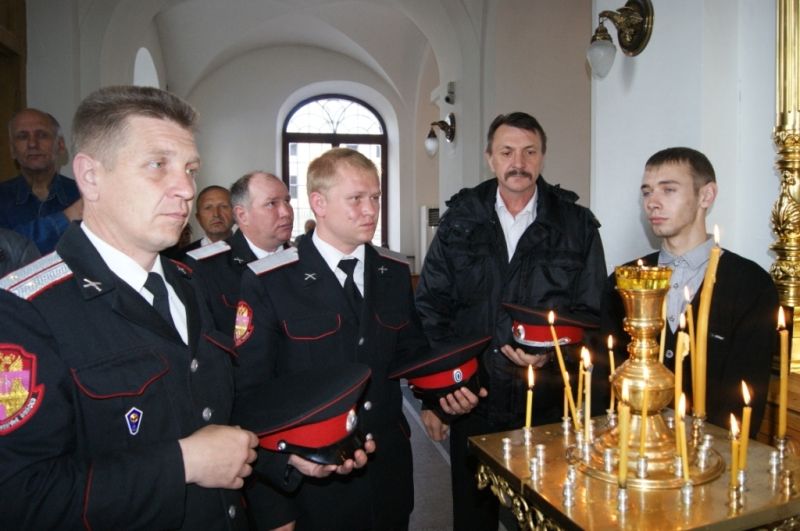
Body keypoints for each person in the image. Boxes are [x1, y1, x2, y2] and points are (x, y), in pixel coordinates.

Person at [0, 85, 260, 529]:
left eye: (190, 169)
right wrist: (182, 463)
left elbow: (212, 413)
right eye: (158, 165)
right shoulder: (25, 312)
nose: (186, 189)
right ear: (90, 177)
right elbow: (21, 498)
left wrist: (291, 449)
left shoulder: (190, 281)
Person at [236, 148, 479, 530]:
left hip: (387, 472)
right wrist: (273, 508)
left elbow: (411, 353)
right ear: (319, 203)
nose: (371, 210)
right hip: (312, 482)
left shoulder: (392, 271)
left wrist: (440, 396)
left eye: (376, 197)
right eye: (356, 199)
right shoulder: (271, 281)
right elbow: (252, 396)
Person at [415, 111, 608, 530]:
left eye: (529, 152)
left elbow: (592, 316)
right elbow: (430, 307)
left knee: (544, 518)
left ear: (542, 157)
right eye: (506, 152)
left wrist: (552, 354)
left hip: (546, 405)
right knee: (473, 519)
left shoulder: (576, 225)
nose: (518, 162)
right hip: (472, 399)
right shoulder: (460, 219)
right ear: (490, 158)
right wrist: (438, 394)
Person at [601, 147, 778, 437]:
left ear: (706, 196)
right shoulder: (624, 281)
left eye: (668, 190)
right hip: (633, 445)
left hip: (712, 452)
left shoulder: (751, 285)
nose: (652, 203)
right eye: (647, 192)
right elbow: (606, 378)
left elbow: (746, 396)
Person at [185, 171, 294, 345]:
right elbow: (206, 339)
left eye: (287, 201)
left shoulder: (308, 262)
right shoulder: (207, 268)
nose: (286, 212)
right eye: (271, 203)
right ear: (242, 215)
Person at [1, 108, 83, 253]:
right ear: (12, 150)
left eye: (42, 135)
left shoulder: (83, 195)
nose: (32, 144)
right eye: (22, 136)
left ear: (60, 145)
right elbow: (6, 253)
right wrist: (66, 218)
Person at [183, 185, 234, 252]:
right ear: (198, 218)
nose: (216, 214)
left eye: (223, 206)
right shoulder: (184, 256)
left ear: (235, 213)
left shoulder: (247, 249)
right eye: (208, 208)